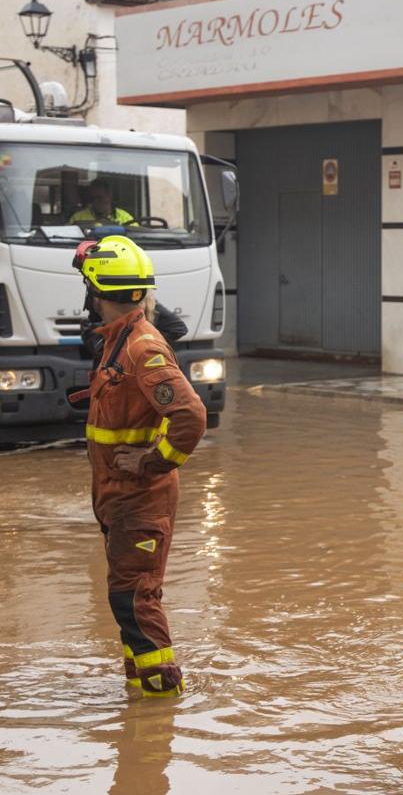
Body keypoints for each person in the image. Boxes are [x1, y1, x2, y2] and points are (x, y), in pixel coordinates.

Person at [72, 235, 206, 697]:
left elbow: (190, 416)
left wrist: (153, 462)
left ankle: (160, 705)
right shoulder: (120, 340)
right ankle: (140, 700)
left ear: (96, 293)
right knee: (127, 599)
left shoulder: (141, 349)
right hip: (118, 497)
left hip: (139, 496)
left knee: (135, 599)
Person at [70, 178, 135, 227]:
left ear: (109, 196)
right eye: (92, 199)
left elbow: (137, 237)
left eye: (99, 198)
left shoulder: (125, 218)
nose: (95, 202)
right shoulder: (78, 218)